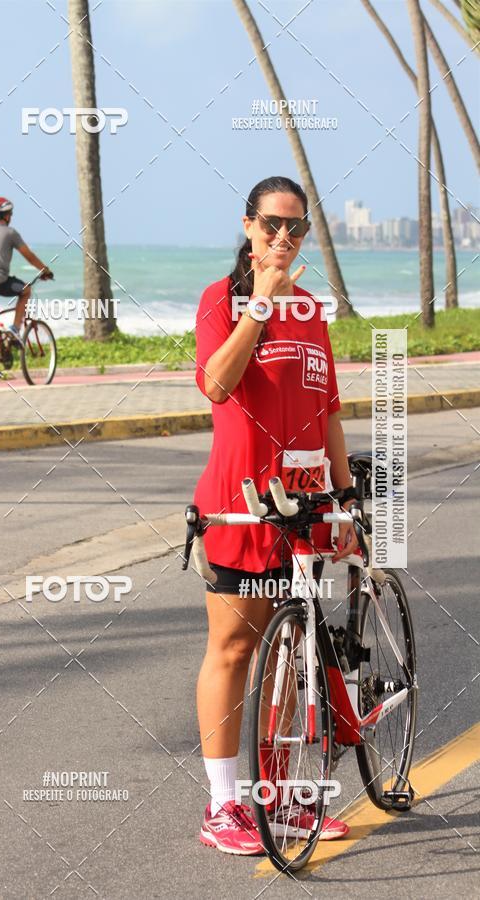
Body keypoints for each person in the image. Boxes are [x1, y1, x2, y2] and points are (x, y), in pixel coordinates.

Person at [193, 176, 360, 855]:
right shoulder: (222, 299)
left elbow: (329, 412)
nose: (284, 238)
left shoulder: (314, 311)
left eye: (296, 228)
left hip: (306, 507)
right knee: (234, 649)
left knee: (296, 656)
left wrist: (346, 497)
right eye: (272, 225)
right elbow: (217, 382)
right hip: (240, 505)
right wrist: (258, 306)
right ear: (248, 224)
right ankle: (222, 806)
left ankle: (283, 794)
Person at [0, 197, 53, 341]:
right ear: (5, 215)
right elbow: (29, 256)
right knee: (26, 290)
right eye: (10, 214)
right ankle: (14, 329)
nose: (11, 217)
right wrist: (45, 270)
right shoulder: (10, 233)